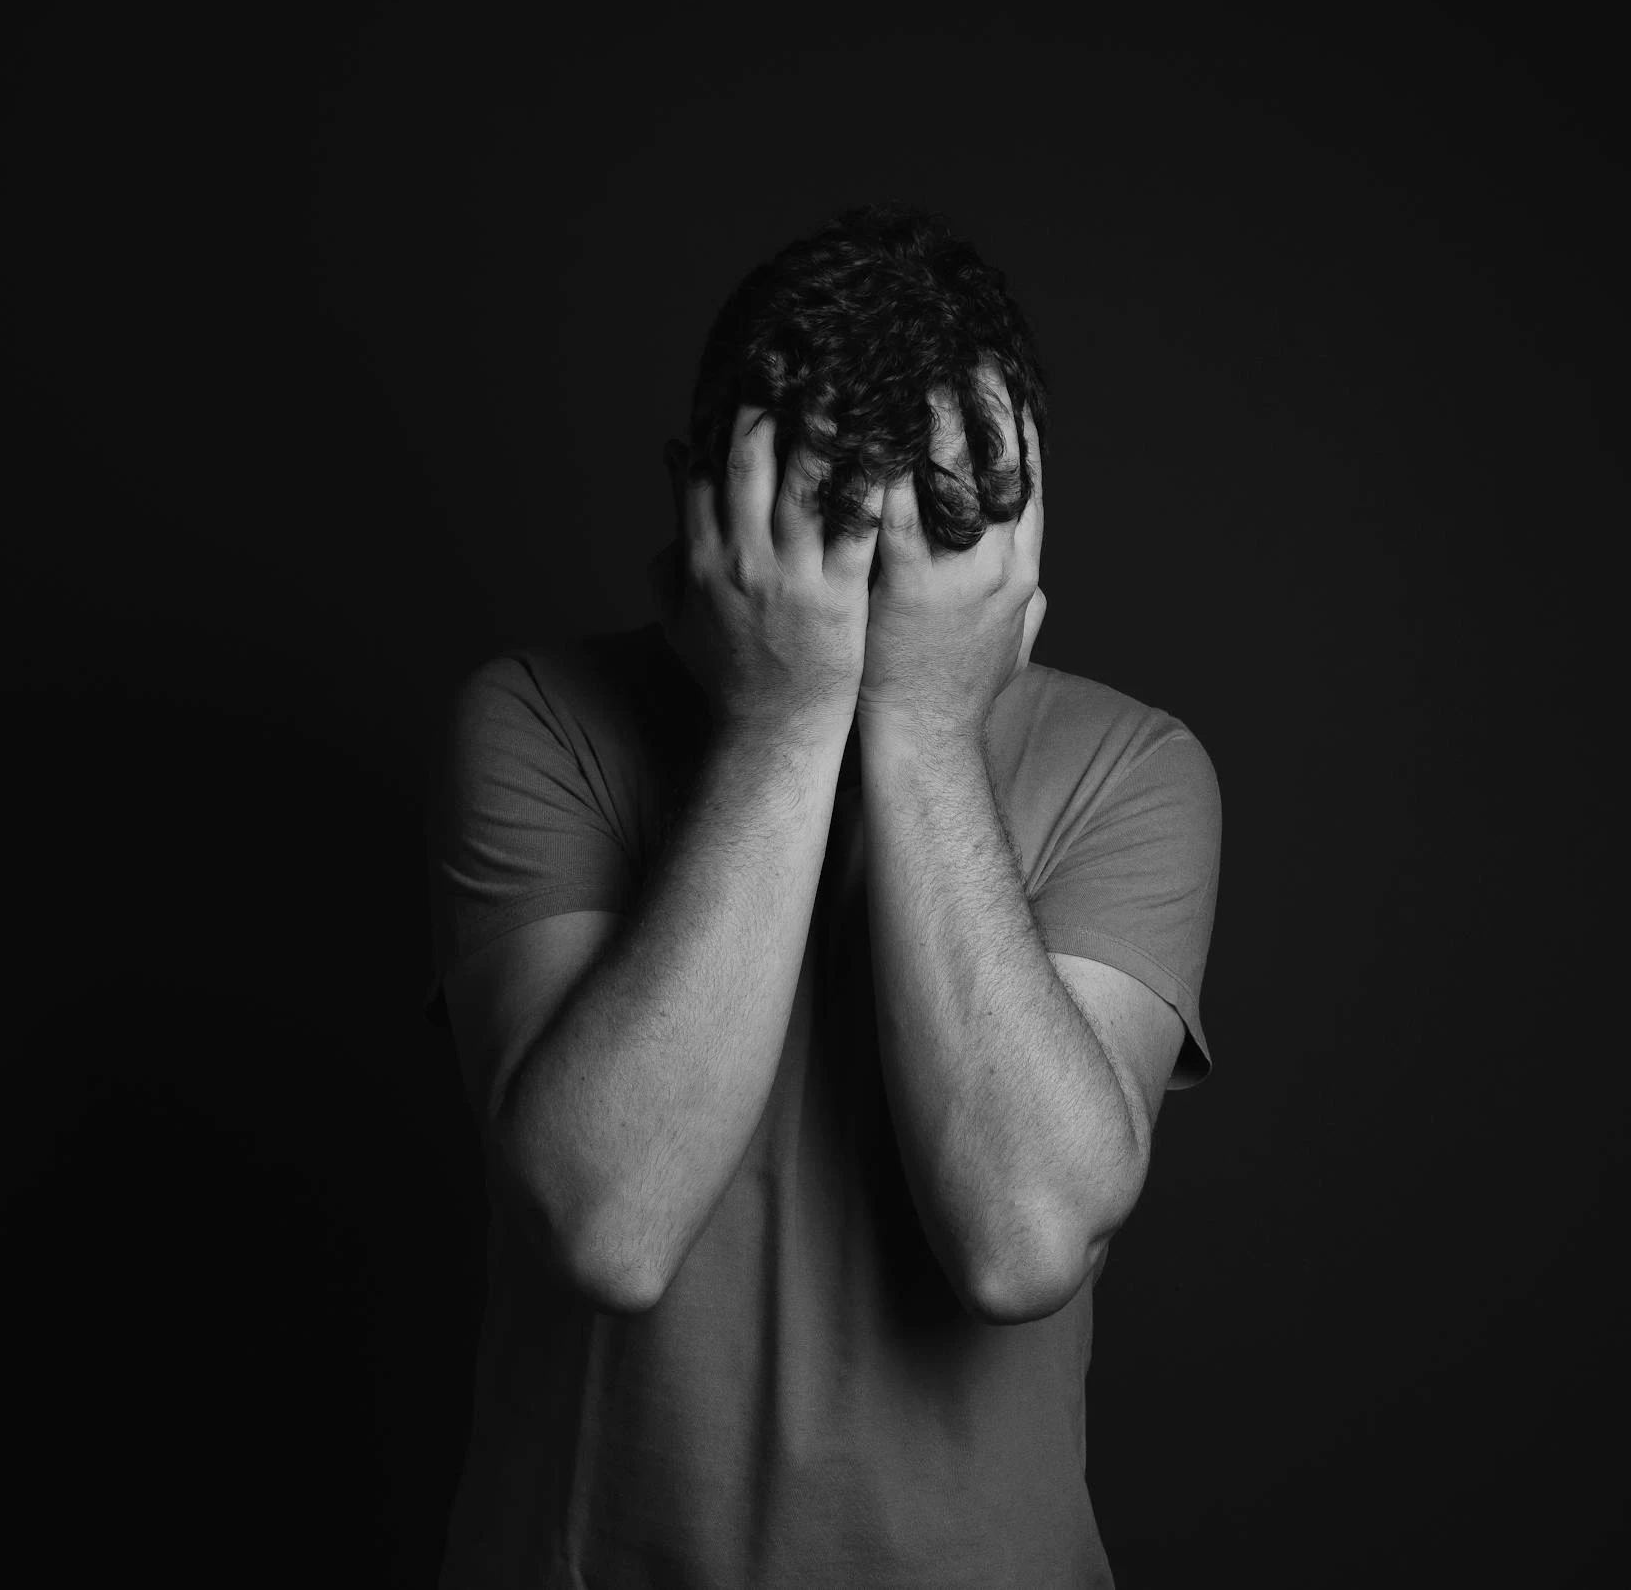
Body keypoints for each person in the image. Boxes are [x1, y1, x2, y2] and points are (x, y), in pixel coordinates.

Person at [427, 204, 1224, 1588]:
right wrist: (785, 717)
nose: (862, 590)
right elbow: (606, 1218)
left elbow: (1026, 1232)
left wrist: (919, 721)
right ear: (702, 514)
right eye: (826, 526)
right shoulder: (537, 723)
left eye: (923, 535)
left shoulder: (1134, 769)